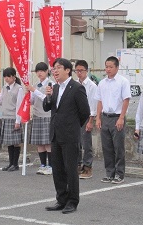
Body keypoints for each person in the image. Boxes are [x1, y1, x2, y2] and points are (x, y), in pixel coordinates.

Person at [43, 58, 90, 214]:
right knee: (57, 169)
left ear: (68, 70)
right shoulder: (54, 88)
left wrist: (73, 126)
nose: (55, 71)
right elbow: (46, 107)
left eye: (58, 68)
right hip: (55, 135)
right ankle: (61, 199)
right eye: (54, 68)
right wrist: (48, 96)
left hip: (70, 136)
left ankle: (72, 201)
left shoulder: (76, 88)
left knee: (70, 170)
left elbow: (85, 112)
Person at [95, 56, 131, 184]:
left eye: (111, 67)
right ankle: (109, 173)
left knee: (118, 147)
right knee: (107, 147)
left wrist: (121, 117)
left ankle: (119, 174)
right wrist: (98, 117)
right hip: (105, 117)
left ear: (117, 67)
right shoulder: (102, 83)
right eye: (106, 66)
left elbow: (126, 100)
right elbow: (99, 101)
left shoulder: (123, 81)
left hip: (117, 117)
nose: (108, 69)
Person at [26, 62, 54, 175]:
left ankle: (51, 165)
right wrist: (28, 95)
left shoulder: (50, 83)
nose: (39, 73)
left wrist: (34, 90)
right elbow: (33, 100)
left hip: (47, 116)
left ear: (47, 71)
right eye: (37, 71)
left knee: (48, 143)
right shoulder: (36, 84)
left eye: (42, 71)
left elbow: (46, 98)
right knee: (39, 143)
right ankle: (42, 164)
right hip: (37, 115)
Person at [0, 67, 24, 172]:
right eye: (5, 76)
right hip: (6, 117)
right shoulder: (4, 87)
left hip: (14, 117)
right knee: (9, 142)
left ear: (14, 77)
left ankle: (15, 164)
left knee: (15, 142)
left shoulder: (19, 89)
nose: (6, 78)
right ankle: (11, 163)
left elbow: (19, 105)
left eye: (9, 76)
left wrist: (17, 121)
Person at [75, 60, 97, 179]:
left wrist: (90, 121)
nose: (79, 73)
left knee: (86, 143)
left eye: (81, 70)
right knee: (76, 143)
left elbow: (93, 105)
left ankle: (88, 167)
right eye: (77, 71)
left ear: (86, 71)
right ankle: (78, 165)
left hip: (86, 117)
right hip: (75, 117)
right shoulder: (74, 83)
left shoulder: (92, 86)